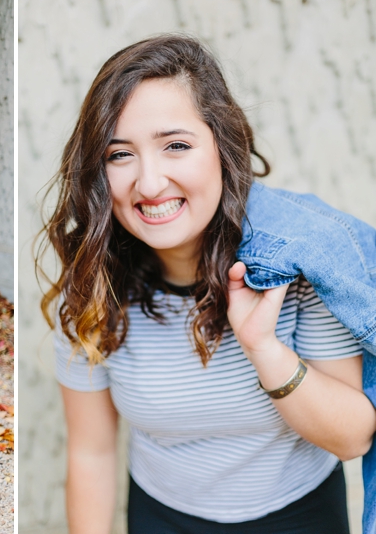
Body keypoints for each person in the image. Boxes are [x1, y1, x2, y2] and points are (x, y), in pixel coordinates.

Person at [38, 34, 376, 534]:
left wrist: (264, 348)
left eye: (176, 146)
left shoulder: (296, 265)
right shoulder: (94, 284)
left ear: (223, 146)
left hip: (299, 516)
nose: (149, 184)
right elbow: (91, 451)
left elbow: (353, 439)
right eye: (119, 155)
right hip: (161, 516)